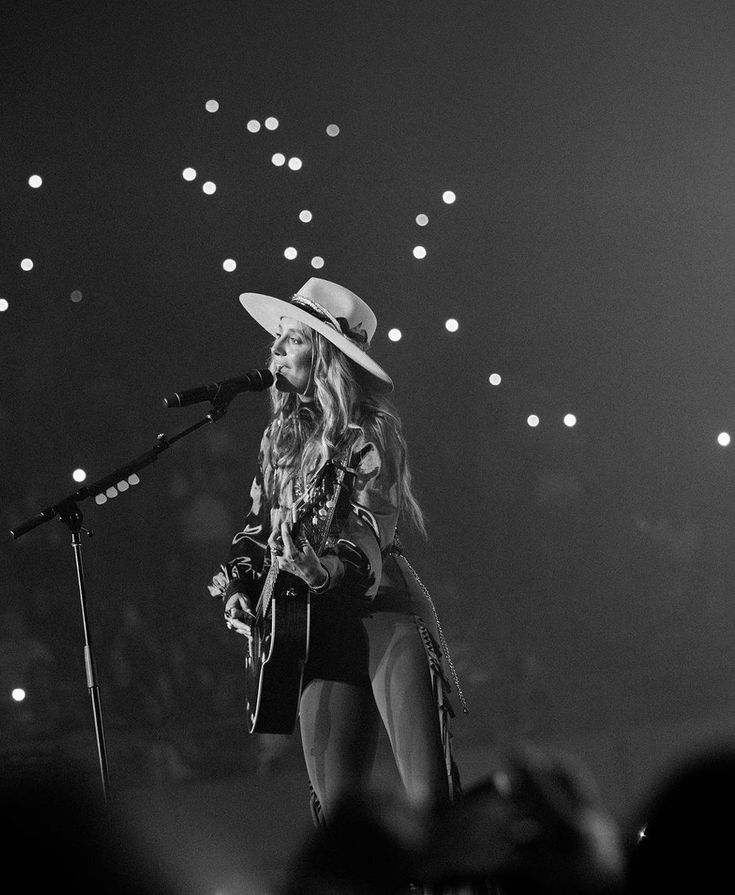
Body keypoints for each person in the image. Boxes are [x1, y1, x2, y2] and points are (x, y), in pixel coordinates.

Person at [207, 277, 462, 827]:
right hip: (314, 629)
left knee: (429, 805)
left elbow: (372, 528)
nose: (274, 349)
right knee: (339, 824)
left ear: (323, 353)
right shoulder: (278, 438)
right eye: (276, 337)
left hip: (382, 615)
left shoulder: (372, 431)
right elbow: (257, 527)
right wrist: (240, 586)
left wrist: (324, 569)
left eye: (291, 338)